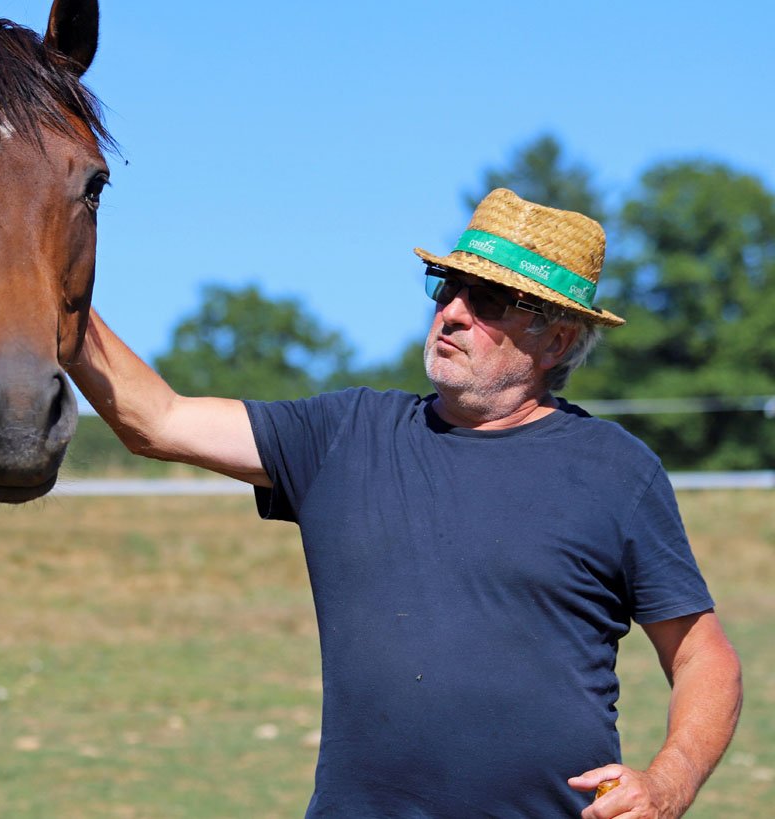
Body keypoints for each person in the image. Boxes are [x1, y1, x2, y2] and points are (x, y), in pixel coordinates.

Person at [69, 188, 742, 818]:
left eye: (490, 301)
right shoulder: (345, 435)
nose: (452, 312)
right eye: (447, 287)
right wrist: (49, 291)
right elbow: (157, 420)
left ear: (556, 339)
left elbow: (702, 656)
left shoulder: (617, 470)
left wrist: (668, 783)